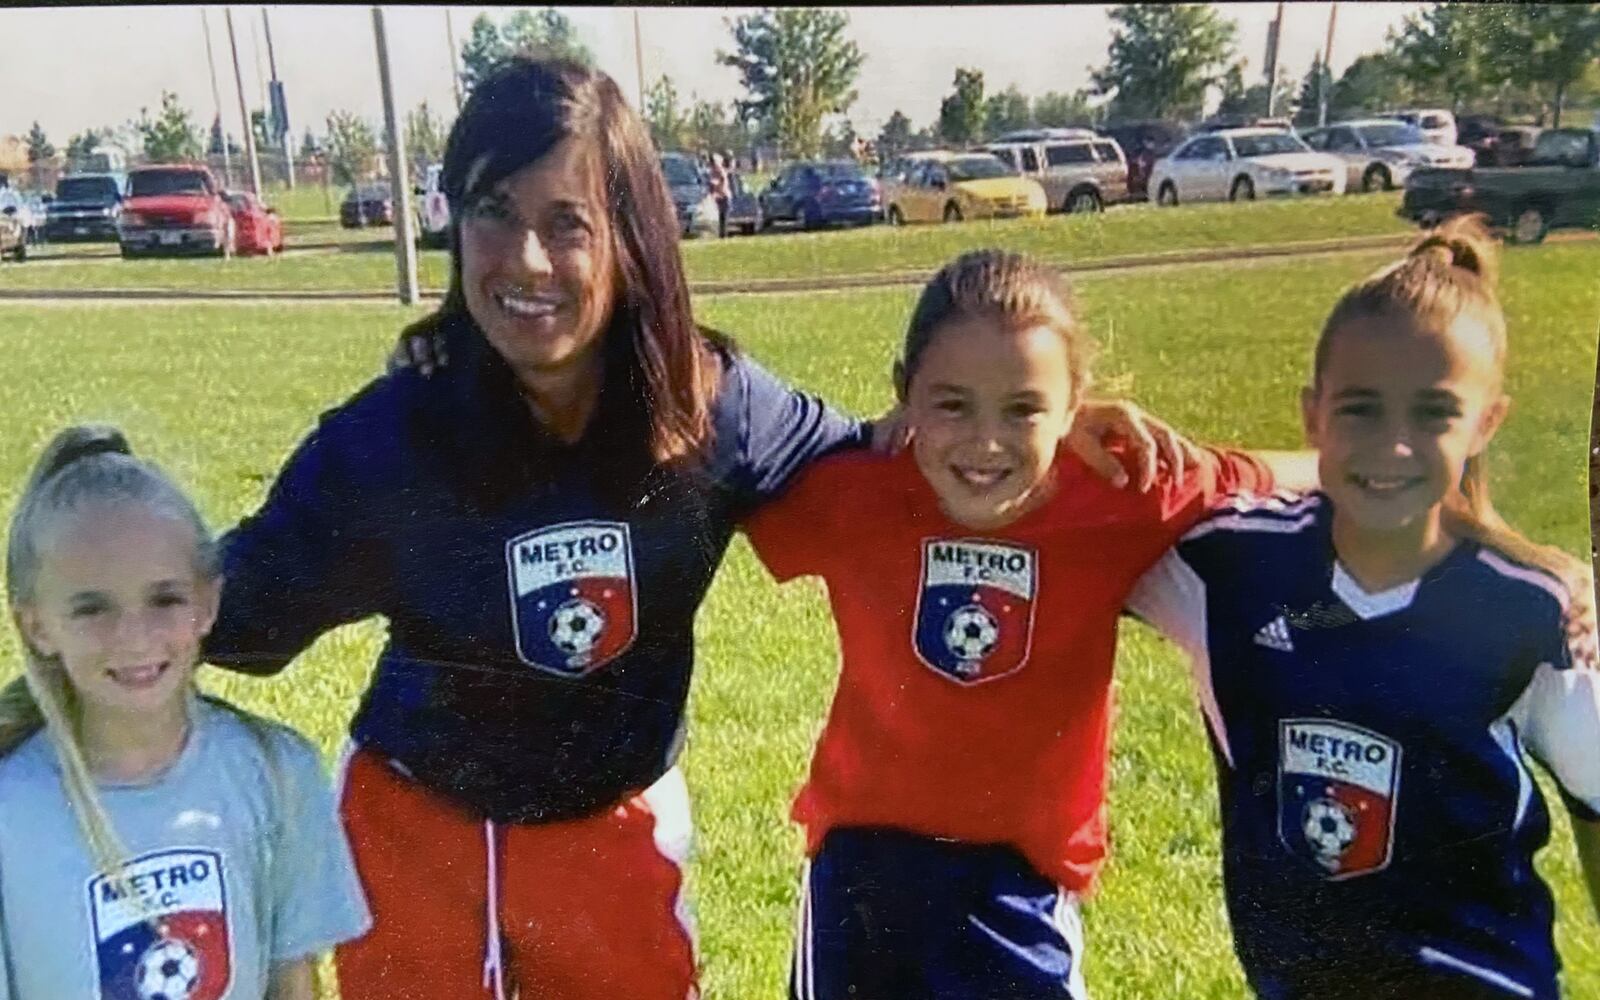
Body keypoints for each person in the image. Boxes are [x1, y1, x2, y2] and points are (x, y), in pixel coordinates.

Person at [202, 58, 1174, 1000]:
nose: (524, 259)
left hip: (611, 826)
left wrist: (1044, 428)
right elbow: (224, 609)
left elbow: (884, 461)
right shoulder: (394, 435)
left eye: (566, 223)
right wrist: (90, 576)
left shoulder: (714, 413)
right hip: (419, 828)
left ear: (629, 236)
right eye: (493, 210)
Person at [742, 249, 1315, 1000]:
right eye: (952, 404)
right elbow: (720, 477)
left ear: (1076, 403)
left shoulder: (1121, 487)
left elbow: (1275, 474)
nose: (986, 442)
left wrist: (1409, 465)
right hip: (861, 875)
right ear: (903, 395)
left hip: (1019, 886)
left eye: (1022, 409)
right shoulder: (853, 494)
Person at [1127, 217, 1600, 999]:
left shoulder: (1529, 609)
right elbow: (1067, 523)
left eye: (1434, 413)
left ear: (1486, 423)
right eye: (1360, 410)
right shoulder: (1227, 565)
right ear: (1313, 414)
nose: (1395, 444)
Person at [0, 426, 370, 1000]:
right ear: (36, 625)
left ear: (208, 602)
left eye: (164, 598)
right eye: (92, 607)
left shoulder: (277, 773)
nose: (135, 636)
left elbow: (294, 984)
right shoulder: (12, 804)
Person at [709, 151, 731, 238]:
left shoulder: (720, 171)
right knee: (720, 217)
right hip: (719, 197)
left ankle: (723, 235)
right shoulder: (714, 171)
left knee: (723, 217)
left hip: (724, 196)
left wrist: (713, 187)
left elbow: (718, 182)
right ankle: (721, 234)